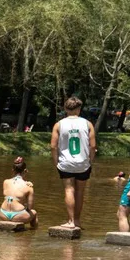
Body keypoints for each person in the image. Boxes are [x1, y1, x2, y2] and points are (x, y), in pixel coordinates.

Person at [51, 97, 96, 229]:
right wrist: (90, 161)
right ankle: (77, 221)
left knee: (69, 189)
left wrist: (56, 162)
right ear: (79, 109)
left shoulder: (59, 124)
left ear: (65, 109)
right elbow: (92, 146)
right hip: (83, 163)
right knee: (80, 191)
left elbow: (53, 147)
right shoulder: (88, 124)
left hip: (65, 163)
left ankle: (70, 221)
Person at [0, 156, 37, 227]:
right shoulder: (29, 186)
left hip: (3, 214)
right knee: (34, 213)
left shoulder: (5, 182)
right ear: (25, 171)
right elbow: (30, 208)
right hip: (18, 215)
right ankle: (33, 234)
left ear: (12, 170)